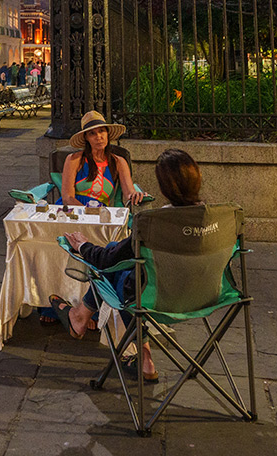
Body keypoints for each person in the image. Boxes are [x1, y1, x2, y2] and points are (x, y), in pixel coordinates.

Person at [59, 148, 206, 381]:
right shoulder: (216, 217)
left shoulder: (154, 222)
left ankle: (142, 356)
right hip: (205, 296)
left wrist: (84, 246)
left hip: (155, 299)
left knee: (117, 271)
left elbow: (108, 261)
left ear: (165, 187)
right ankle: (81, 317)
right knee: (125, 265)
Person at [61, 111, 143, 208]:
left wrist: (136, 195)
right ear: (86, 138)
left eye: (102, 131)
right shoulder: (74, 160)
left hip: (102, 215)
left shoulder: (119, 162)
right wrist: (88, 213)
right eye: (92, 133)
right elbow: (67, 198)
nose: (98, 137)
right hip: (74, 212)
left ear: (107, 133)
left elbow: (129, 192)